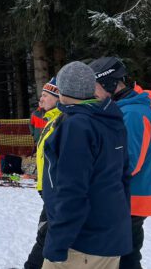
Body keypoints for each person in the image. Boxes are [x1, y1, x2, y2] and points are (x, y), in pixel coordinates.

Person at [42, 61, 131, 268]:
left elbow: (72, 191)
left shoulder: (77, 125)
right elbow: (123, 179)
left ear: (62, 90)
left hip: (83, 242)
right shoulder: (109, 119)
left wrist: (57, 243)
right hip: (110, 236)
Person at [90, 57, 151, 269]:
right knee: (124, 254)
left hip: (132, 198)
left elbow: (130, 162)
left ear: (110, 84)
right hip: (127, 196)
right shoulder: (123, 109)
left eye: (96, 88)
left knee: (125, 256)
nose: (93, 94)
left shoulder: (134, 114)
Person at [24, 77, 61, 269]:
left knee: (45, 234)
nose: (41, 100)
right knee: (45, 233)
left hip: (56, 191)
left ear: (58, 98)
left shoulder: (60, 121)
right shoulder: (49, 119)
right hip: (47, 188)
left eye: (46, 96)